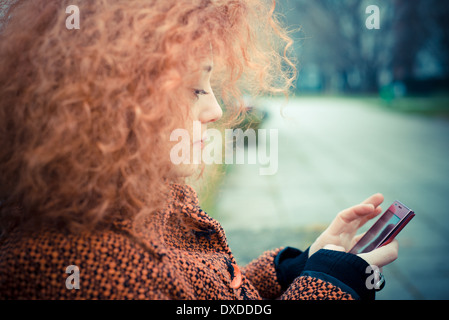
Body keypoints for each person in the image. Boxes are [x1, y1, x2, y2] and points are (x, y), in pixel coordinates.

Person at [0, 0, 398, 300]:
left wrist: (300, 268)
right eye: (195, 89)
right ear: (110, 103)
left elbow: (208, 290)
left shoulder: (142, 195)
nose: (215, 110)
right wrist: (331, 287)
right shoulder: (94, 271)